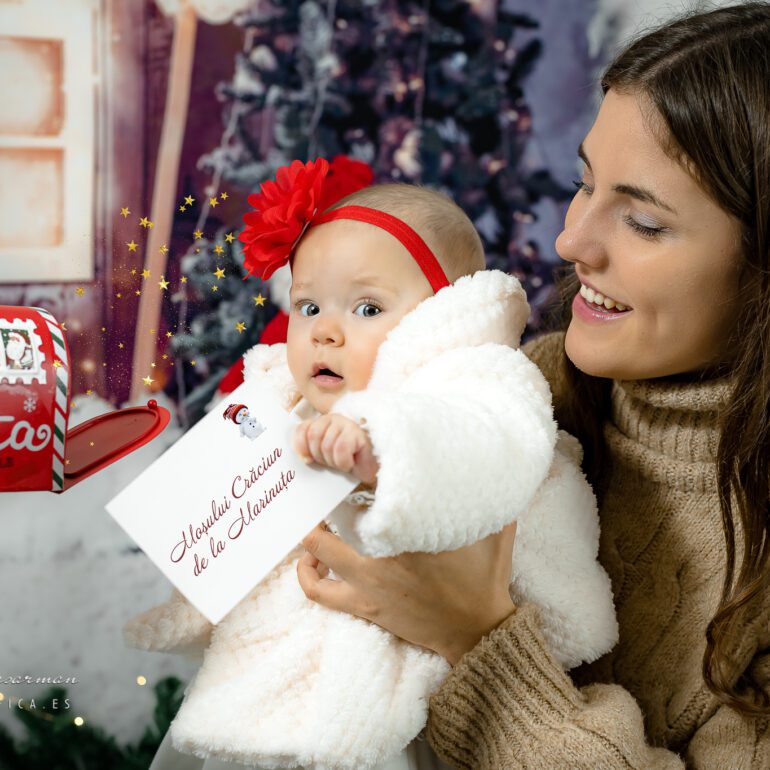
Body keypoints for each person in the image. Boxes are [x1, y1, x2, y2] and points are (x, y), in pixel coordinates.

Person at [293, 3, 770, 767]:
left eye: (643, 224)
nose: (571, 240)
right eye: (585, 184)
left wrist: (475, 641)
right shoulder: (517, 394)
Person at [125, 167, 617, 770]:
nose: (325, 331)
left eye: (365, 306)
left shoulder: (477, 381)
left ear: (437, 316)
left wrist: (381, 444)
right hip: (281, 681)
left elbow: (488, 445)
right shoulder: (285, 403)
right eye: (308, 305)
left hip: (403, 697)